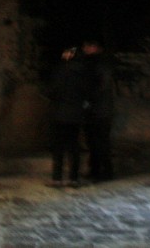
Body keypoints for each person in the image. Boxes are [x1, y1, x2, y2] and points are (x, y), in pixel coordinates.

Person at [47, 46, 86, 187]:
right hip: (75, 115)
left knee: (58, 147)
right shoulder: (82, 71)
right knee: (73, 147)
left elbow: (52, 91)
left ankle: (57, 178)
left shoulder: (61, 70)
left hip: (59, 114)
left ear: (69, 54)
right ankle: (73, 178)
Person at [81, 39, 114, 182]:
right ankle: (97, 170)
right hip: (98, 109)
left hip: (99, 110)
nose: (85, 49)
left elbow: (101, 87)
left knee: (100, 142)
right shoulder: (95, 64)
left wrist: (88, 101)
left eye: (88, 46)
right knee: (95, 142)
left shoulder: (99, 65)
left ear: (95, 47)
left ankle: (103, 172)